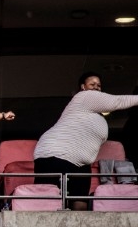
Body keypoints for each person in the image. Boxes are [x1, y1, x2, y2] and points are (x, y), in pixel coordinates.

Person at [33, 72, 138, 211]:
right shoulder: (84, 97)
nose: (96, 88)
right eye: (92, 84)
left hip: (79, 162)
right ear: (83, 87)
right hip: (57, 154)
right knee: (51, 201)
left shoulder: (93, 110)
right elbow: (117, 101)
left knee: (81, 201)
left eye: (99, 86)